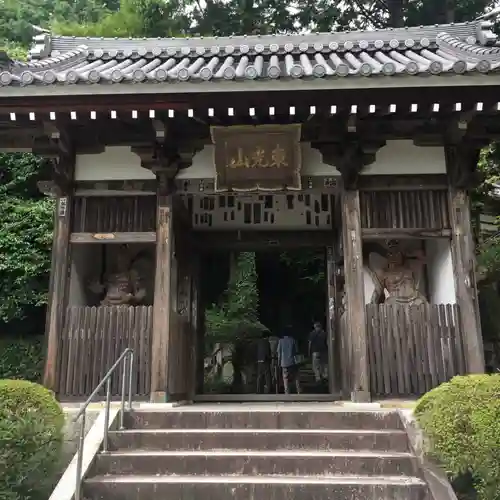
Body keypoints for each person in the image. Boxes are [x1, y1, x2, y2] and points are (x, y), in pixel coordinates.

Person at [277, 328, 302, 394]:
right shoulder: (293, 340)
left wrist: (279, 363)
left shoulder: (280, 341)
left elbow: (279, 353)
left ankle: (287, 392)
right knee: (296, 377)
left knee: (285, 378)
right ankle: (299, 390)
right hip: (292, 362)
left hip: (284, 363)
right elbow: (297, 351)